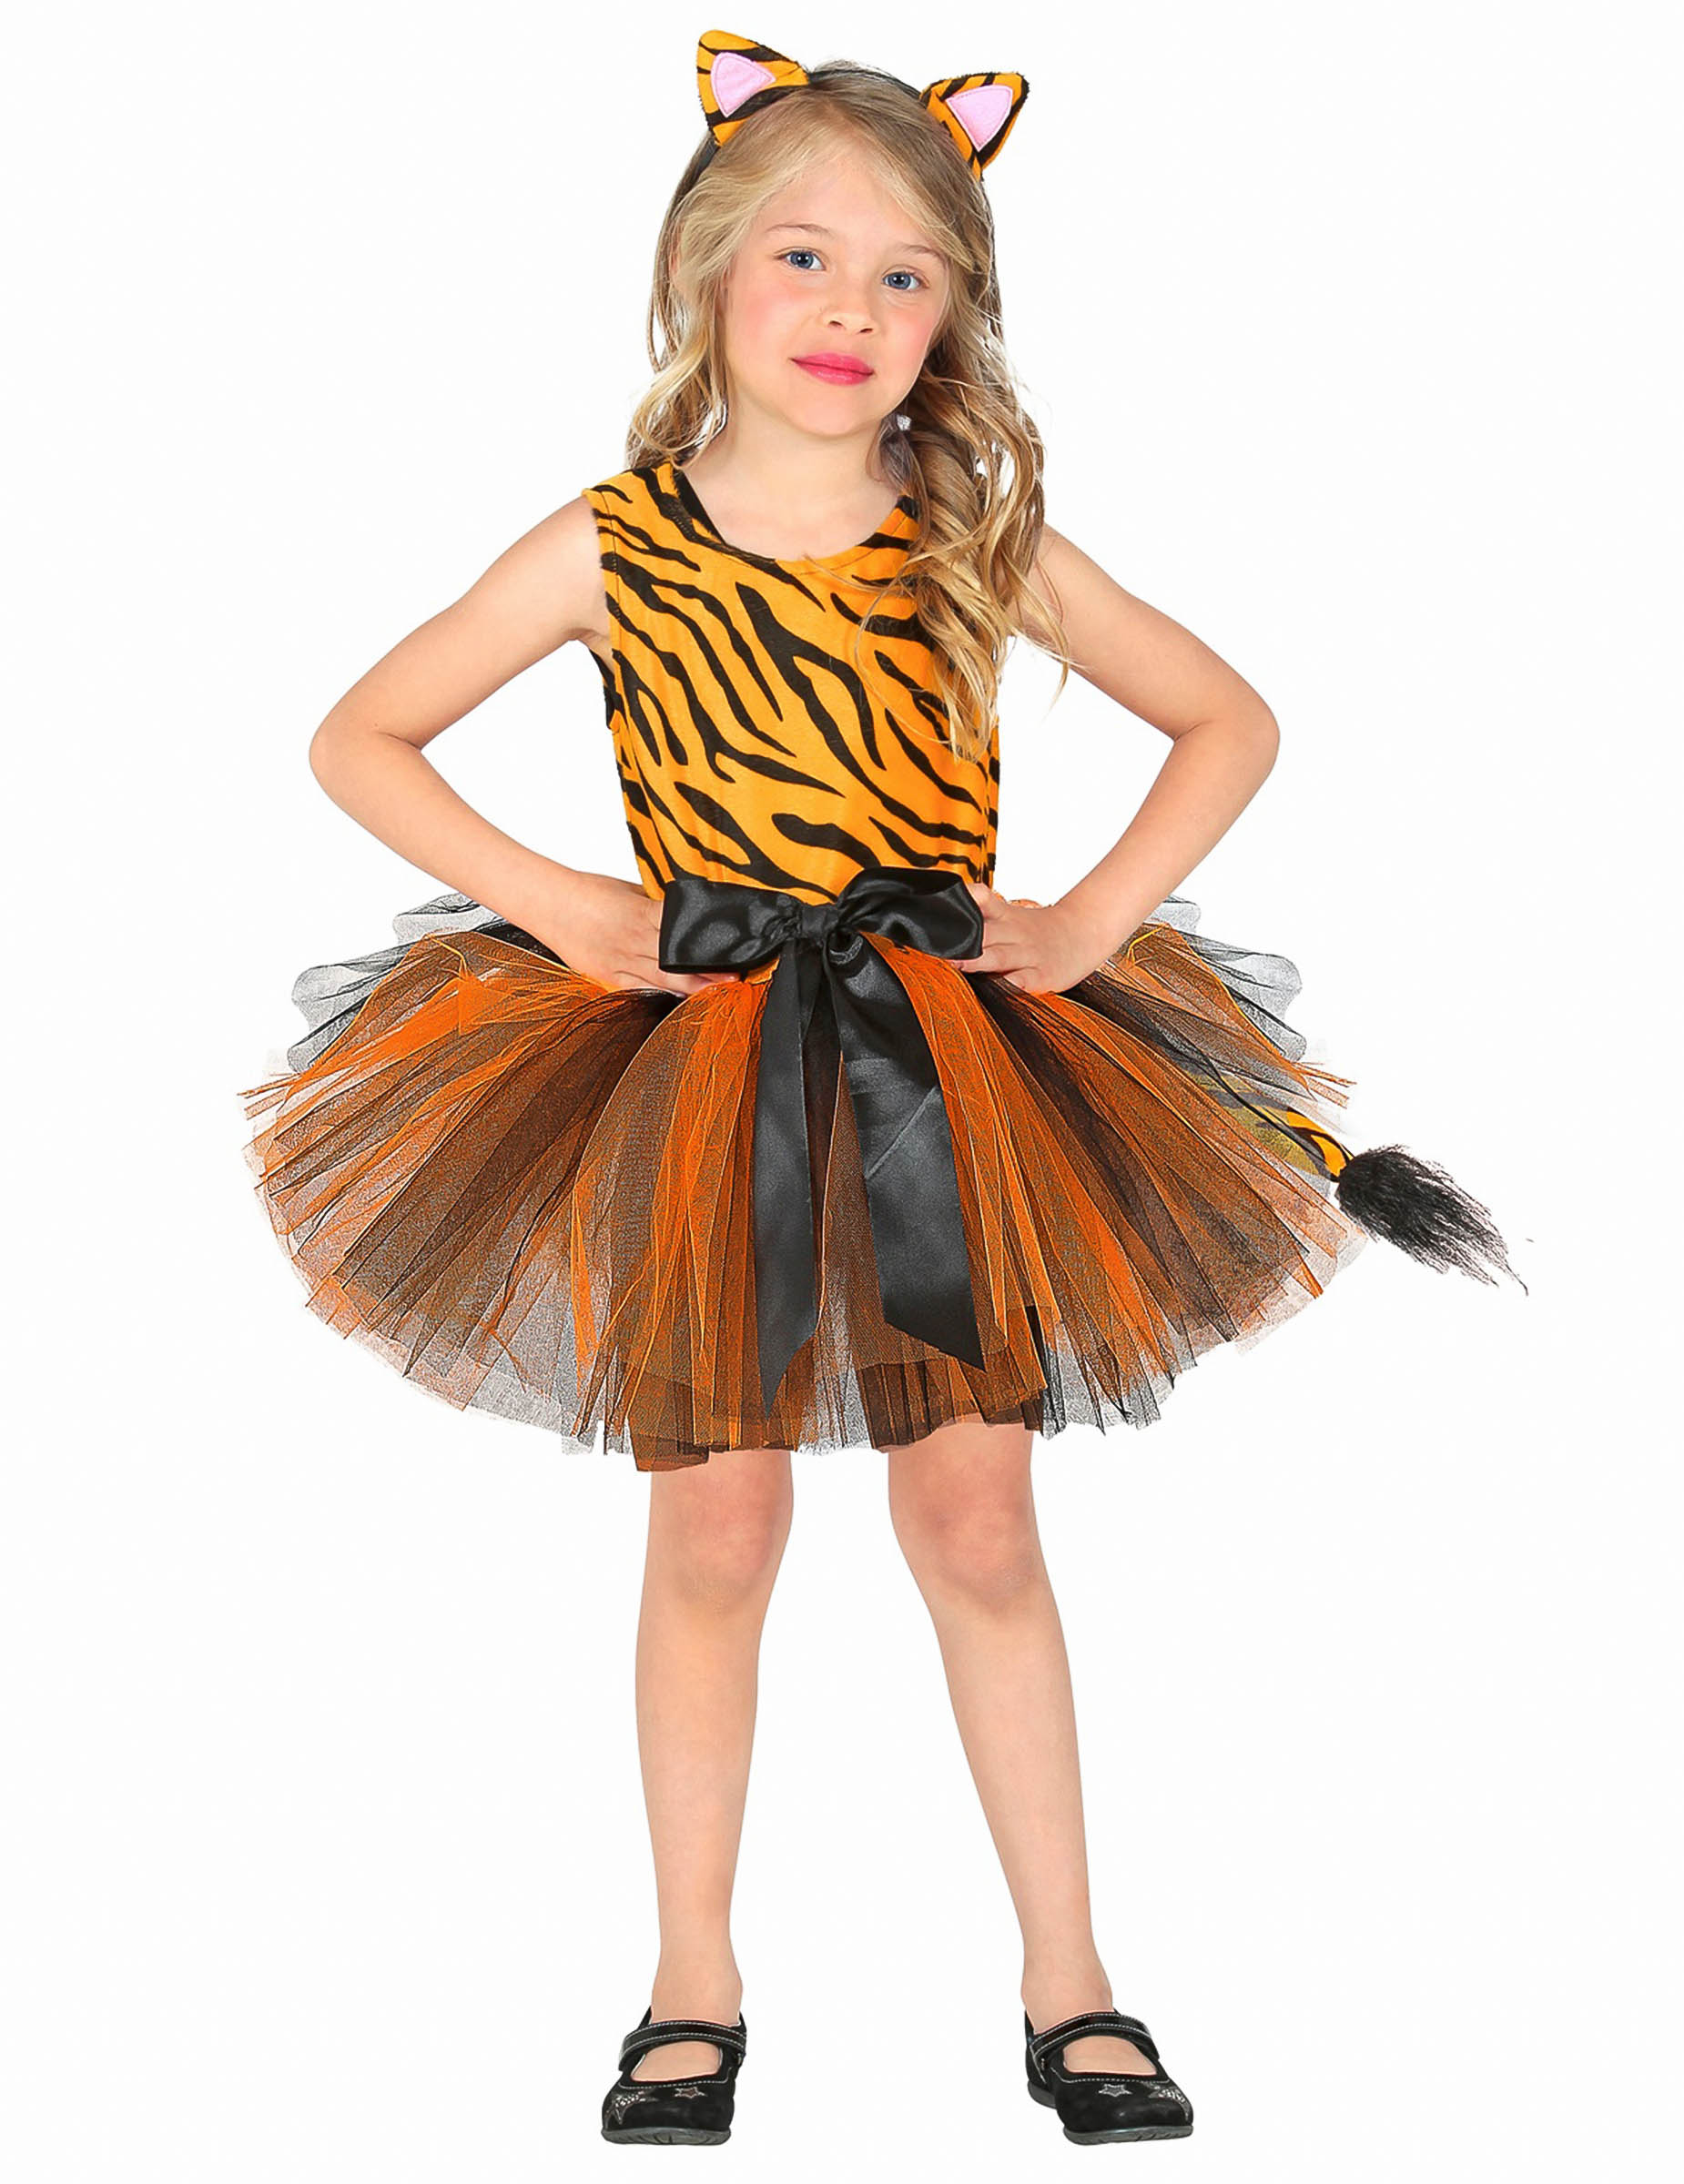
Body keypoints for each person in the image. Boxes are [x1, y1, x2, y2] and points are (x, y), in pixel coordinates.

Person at [239, 27, 1522, 2149]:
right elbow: (358, 736)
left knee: (979, 1518)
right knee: (717, 1523)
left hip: (951, 1063)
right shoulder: (611, 544)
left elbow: (1224, 717)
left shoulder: (967, 536)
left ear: (955, 314)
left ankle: (1067, 1978)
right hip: (696, 1071)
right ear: (706, 274)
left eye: (906, 275)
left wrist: (1091, 920)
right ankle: (692, 1979)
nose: (851, 309)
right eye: (806, 258)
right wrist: (562, 901)